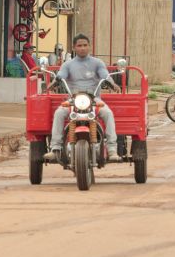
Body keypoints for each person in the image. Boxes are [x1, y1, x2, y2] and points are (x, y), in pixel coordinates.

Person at [43, 34, 121, 162]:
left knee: (108, 113)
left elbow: (105, 75)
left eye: (85, 45)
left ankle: (112, 150)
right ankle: (55, 149)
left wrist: (112, 83)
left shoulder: (97, 63)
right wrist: (54, 83)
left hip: (94, 100)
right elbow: (61, 75)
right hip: (73, 100)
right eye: (79, 45)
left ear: (89, 46)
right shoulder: (68, 64)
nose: (82, 48)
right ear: (74, 47)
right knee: (59, 113)